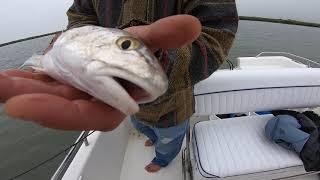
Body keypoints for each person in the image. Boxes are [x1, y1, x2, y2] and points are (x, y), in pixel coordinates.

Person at [0, 0, 238, 172]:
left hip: (174, 108)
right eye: (125, 46)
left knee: (169, 140)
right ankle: (151, 138)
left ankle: (162, 160)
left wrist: (161, 60)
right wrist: (65, 47)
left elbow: (215, 38)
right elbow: (81, 19)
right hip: (130, 106)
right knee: (142, 126)